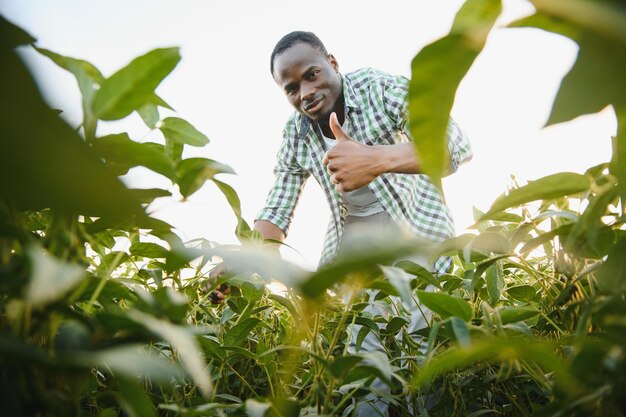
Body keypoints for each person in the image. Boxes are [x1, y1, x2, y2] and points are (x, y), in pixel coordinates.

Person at [214, 31, 472, 415]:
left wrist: (376, 159)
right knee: (366, 379)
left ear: (332, 63)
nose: (305, 92)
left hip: (419, 246)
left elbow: (455, 145)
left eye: (312, 74)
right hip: (357, 267)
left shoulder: (379, 88)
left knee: (426, 367)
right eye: (291, 87)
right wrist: (244, 263)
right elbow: (278, 207)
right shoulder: (296, 133)